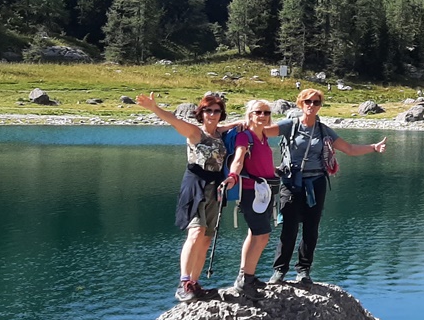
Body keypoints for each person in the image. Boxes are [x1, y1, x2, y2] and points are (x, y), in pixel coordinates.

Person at [265, 88, 386, 284]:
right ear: (301, 103)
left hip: (316, 182)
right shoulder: (290, 125)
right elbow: (262, 131)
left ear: (320, 106)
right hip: (292, 182)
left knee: (311, 228)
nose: (312, 105)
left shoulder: (323, 130)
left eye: (316, 102)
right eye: (308, 102)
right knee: (289, 227)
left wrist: (373, 147)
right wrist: (237, 126)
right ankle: (279, 271)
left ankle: (303, 271)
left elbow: (349, 149)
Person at [135, 91, 238, 302]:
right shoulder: (195, 133)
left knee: (206, 238)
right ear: (201, 113)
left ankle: (195, 282)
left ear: (221, 114)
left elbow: (235, 124)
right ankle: (184, 282)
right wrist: (154, 108)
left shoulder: (220, 133)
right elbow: (174, 121)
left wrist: (248, 121)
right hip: (195, 186)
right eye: (208, 110)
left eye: (216, 111)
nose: (212, 114)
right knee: (196, 231)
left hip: (215, 188)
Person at [224, 99, 277, 299]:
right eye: (258, 112)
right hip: (252, 192)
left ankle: (247, 275)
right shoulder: (244, 136)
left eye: (266, 112)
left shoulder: (263, 136)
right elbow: (238, 159)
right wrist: (233, 175)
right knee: (262, 235)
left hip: (265, 190)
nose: (262, 116)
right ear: (250, 114)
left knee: (255, 234)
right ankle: (245, 280)